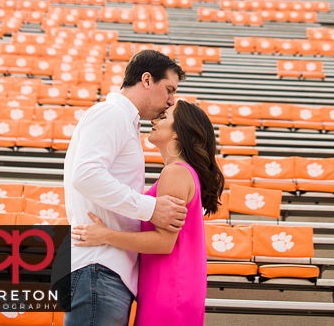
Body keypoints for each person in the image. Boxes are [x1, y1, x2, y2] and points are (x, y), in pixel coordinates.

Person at [72, 98, 224, 326]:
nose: (154, 120)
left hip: (169, 289)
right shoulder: (181, 173)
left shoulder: (176, 173)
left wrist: (104, 235)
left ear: (178, 135)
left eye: (163, 117)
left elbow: (163, 243)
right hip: (170, 288)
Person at [64, 49, 188, 326]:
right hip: (98, 266)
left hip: (105, 268)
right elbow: (85, 175)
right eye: (169, 89)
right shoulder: (111, 113)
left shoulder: (123, 120)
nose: (171, 100)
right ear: (146, 80)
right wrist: (151, 208)